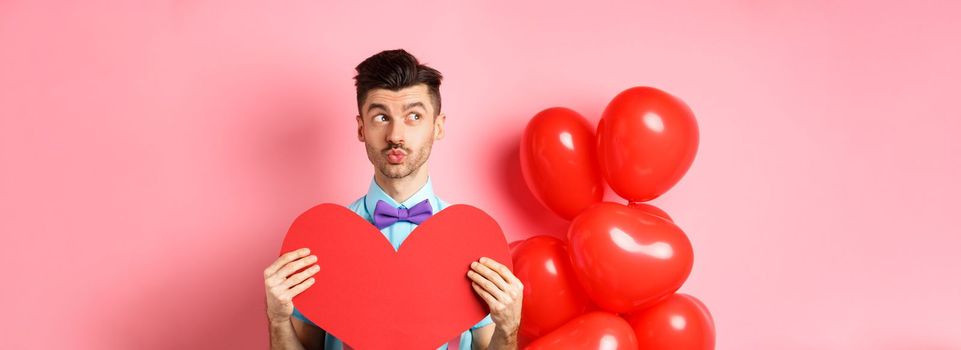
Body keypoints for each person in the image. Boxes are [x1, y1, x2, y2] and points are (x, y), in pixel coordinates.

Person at [264, 49, 523, 350]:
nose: (396, 134)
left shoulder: (472, 238)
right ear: (361, 127)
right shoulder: (322, 239)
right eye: (381, 117)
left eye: (414, 116)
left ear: (438, 126)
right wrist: (277, 319)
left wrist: (509, 328)